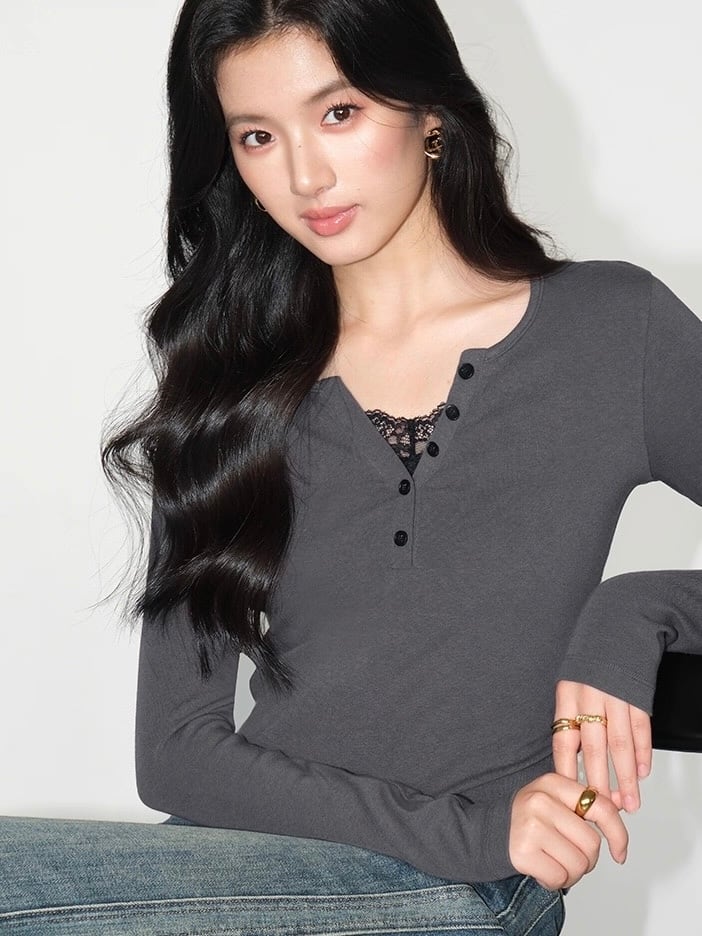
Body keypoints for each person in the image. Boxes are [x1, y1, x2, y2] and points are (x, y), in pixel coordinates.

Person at [1, 1, 701, 933]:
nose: (305, 175)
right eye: (257, 136)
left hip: (470, 886)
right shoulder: (229, 384)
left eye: (339, 113)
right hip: (254, 869)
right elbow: (175, 751)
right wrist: (462, 832)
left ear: (430, 113)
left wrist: (642, 609)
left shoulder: (613, 330)